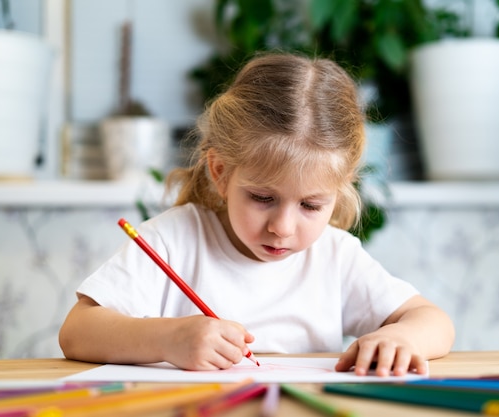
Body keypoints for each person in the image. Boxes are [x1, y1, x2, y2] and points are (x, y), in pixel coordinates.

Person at [59, 52, 454, 377]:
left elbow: (433, 321)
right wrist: (168, 338)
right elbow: (77, 332)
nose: (282, 227)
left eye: (310, 206)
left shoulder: (336, 257)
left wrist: (402, 339)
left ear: (341, 188)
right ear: (221, 172)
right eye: (263, 197)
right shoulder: (173, 241)